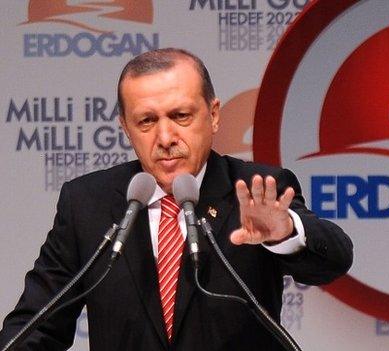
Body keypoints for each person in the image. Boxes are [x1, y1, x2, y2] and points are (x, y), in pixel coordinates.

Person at [0, 48, 353, 350]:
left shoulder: (255, 188)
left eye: (180, 116)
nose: (165, 136)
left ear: (213, 115)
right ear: (125, 127)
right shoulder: (88, 203)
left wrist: (285, 232)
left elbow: (335, 259)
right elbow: (37, 325)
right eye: (146, 121)